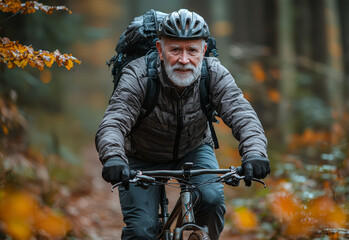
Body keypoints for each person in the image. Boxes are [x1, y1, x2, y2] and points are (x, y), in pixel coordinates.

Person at [95, 9, 270, 240]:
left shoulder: (214, 73)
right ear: (160, 50)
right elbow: (114, 122)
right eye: (175, 49)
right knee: (141, 232)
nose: (184, 60)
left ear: (204, 51)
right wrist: (114, 157)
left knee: (211, 200)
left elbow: (242, 114)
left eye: (192, 50)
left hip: (194, 149)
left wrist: (255, 153)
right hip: (141, 156)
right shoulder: (138, 75)